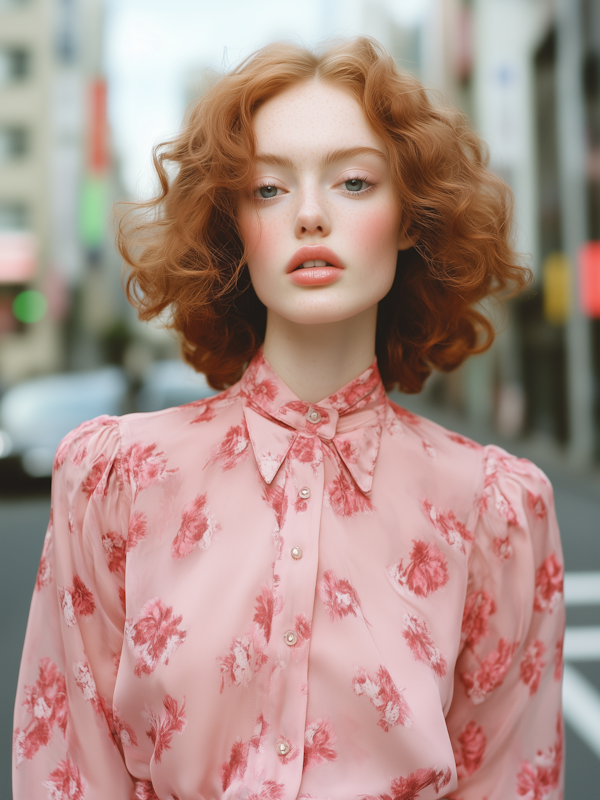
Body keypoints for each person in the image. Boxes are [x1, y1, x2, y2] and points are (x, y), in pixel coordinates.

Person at [13, 37, 565, 800]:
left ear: (410, 218)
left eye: (353, 182)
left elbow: (511, 779)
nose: (310, 215)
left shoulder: (497, 510)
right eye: (269, 189)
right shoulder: (115, 482)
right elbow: (69, 771)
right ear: (233, 225)